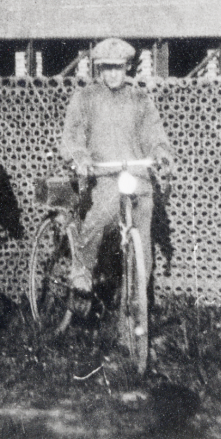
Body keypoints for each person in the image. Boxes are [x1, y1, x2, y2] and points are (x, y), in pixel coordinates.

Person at [59, 37, 174, 297]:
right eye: (106, 68)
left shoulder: (139, 99)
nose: (112, 74)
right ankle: (82, 272)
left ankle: (136, 307)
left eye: (118, 67)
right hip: (103, 178)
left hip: (136, 180)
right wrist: (80, 157)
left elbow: (154, 134)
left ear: (128, 68)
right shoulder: (85, 97)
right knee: (98, 219)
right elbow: (73, 135)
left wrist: (161, 154)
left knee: (143, 243)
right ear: (99, 69)